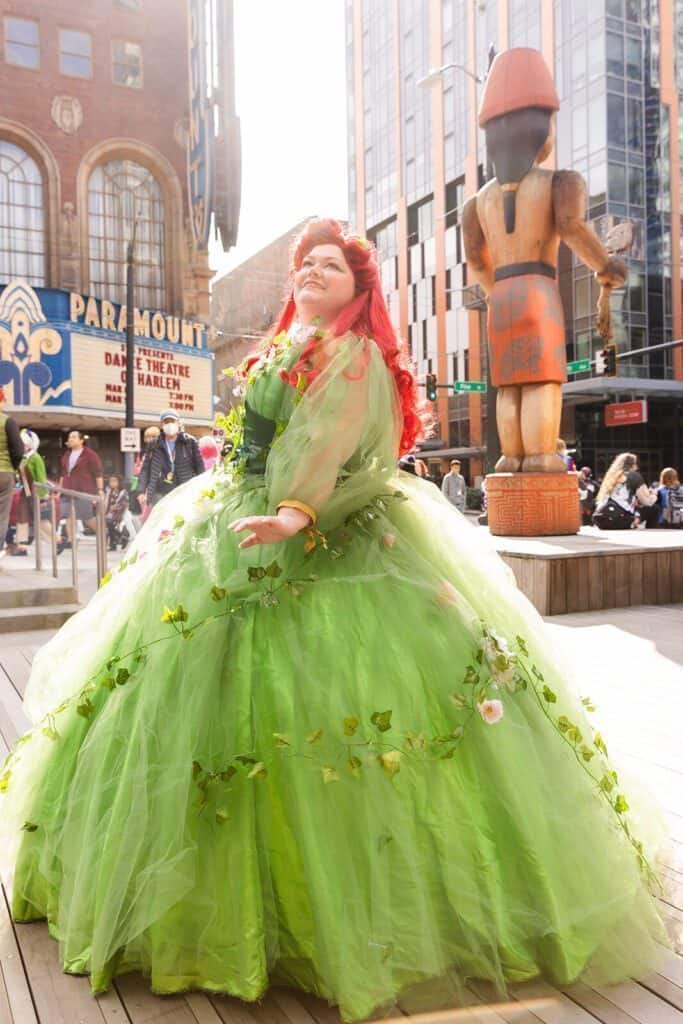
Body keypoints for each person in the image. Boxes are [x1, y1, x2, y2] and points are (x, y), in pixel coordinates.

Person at [0, 219, 666, 1022]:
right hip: (248, 518)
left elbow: (330, 436)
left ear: (360, 288)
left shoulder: (349, 356)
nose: (310, 273)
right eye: (303, 265)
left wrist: (293, 511)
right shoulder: (300, 341)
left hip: (317, 533)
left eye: (329, 265)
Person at [136, 411, 204, 512]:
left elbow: (200, 467)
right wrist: (141, 491)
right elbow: (145, 469)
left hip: (183, 489)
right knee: (161, 522)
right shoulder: (154, 444)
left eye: (172, 421)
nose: (170, 425)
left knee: (180, 521)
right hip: (159, 490)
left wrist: (202, 489)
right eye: (166, 422)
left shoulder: (189, 442)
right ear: (162, 425)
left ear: (178, 423)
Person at [57, 430, 104, 553]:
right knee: (68, 515)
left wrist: (100, 490)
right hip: (67, 489)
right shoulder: (67, 454)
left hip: (84, 489)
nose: (71, 439)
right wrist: (59, 490)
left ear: (81, 440)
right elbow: (63, 474)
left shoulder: (90, 454)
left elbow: (98, 473)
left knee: (87, 517)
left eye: (74, 437)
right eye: (69, 437)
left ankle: (103, 532)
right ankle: (71, 540)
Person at [593, 452, 658, 530]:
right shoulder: (634, 476)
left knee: (637, 507)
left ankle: (635, 520)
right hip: (619, 518)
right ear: (632, 465)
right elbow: (647, 502)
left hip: (602, 518)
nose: (637, 467)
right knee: (654, 508)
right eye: (636, 464)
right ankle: (649, 530)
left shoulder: (611, 476)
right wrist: (654, 495)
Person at [0, 386, 24, 557]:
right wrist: (15, 467)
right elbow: (17, 450)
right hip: (4, 472)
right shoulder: (7, 421)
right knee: (1, 516)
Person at [104, 475, 136, 551]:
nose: (112, 483)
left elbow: (122, 504)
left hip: (123, 513)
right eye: (111, 481)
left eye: (114, 481)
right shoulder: (109, 492)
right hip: (112, 513)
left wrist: (113, 508)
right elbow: (107, 504)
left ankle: (122, 538)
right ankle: (114, 543)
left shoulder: (123, 492)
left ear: (119, 482)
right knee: (108, 522)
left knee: (113, 523)